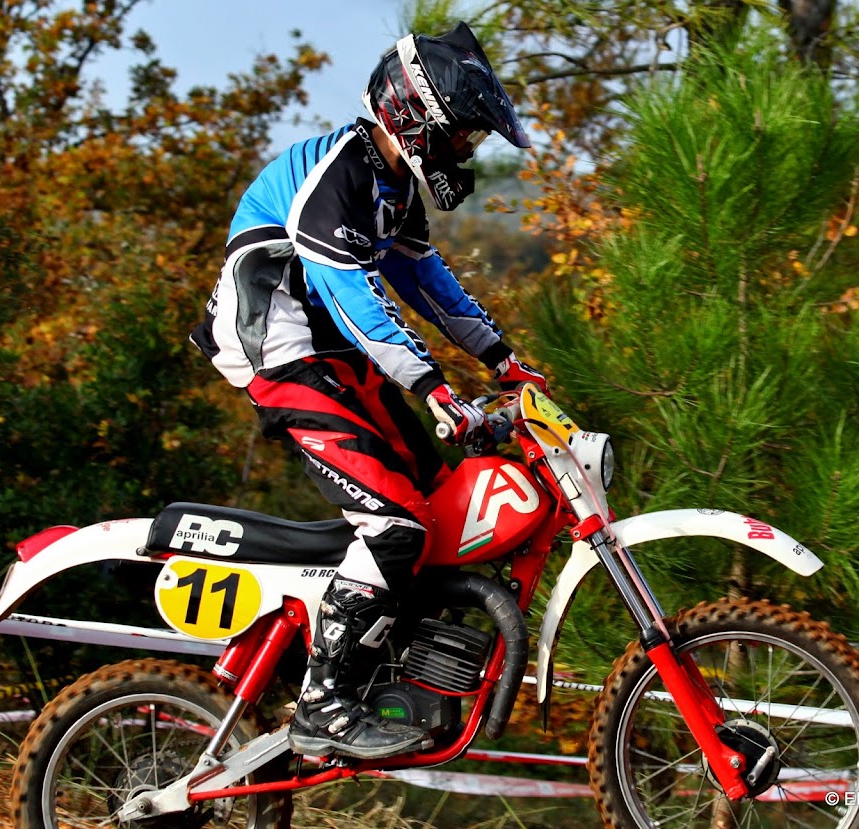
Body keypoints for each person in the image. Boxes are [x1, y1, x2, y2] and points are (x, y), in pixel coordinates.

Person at [191, 21, 549, 760]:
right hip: (279, 354)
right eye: (463, 135)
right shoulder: (340, 179)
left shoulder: (393, 186)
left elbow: (427, 281)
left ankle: (389, 659)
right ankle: (322, 703)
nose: (467, 151)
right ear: (418, 120)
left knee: (437, 498)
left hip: (330, 353)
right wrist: (436, 389)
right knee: (395, 523)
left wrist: (504, 359)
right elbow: (352, 297)